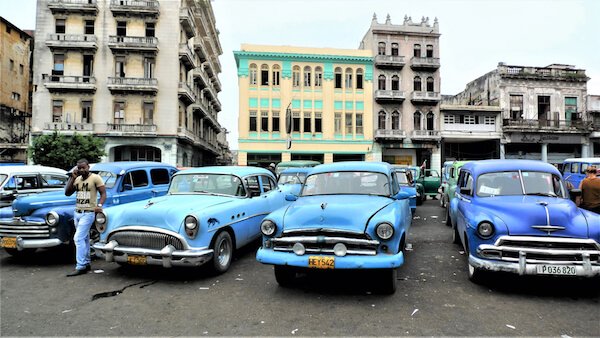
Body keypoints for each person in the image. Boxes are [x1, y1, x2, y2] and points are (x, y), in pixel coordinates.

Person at [64, 159, 107, 277]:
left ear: (88, 167)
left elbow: (103, 193)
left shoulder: (96, 178)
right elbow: (67, 193)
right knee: (84, 238)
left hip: (88, 213)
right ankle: (87, 263)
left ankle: (81, 265)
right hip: (77, 212)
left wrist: (99, 205)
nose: (81, 170)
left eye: (84, 167)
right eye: (79, 168)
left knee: (77, 238)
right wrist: (72, 177)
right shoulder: (77, 179)